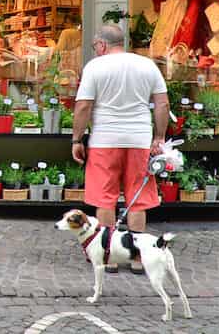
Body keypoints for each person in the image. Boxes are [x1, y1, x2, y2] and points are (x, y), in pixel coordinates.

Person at [70, 24, 169, 274]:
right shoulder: (147, 65)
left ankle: (108, 256)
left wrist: (76, 139)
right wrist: (159, 137)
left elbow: (83, 107)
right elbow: (162, 104)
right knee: (138, 199)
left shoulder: (95, 67)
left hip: (104, 140)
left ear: (102, 44)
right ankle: (137, 258)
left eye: (95, 46)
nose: (95, 50)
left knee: (105, 198)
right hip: (139, 139)